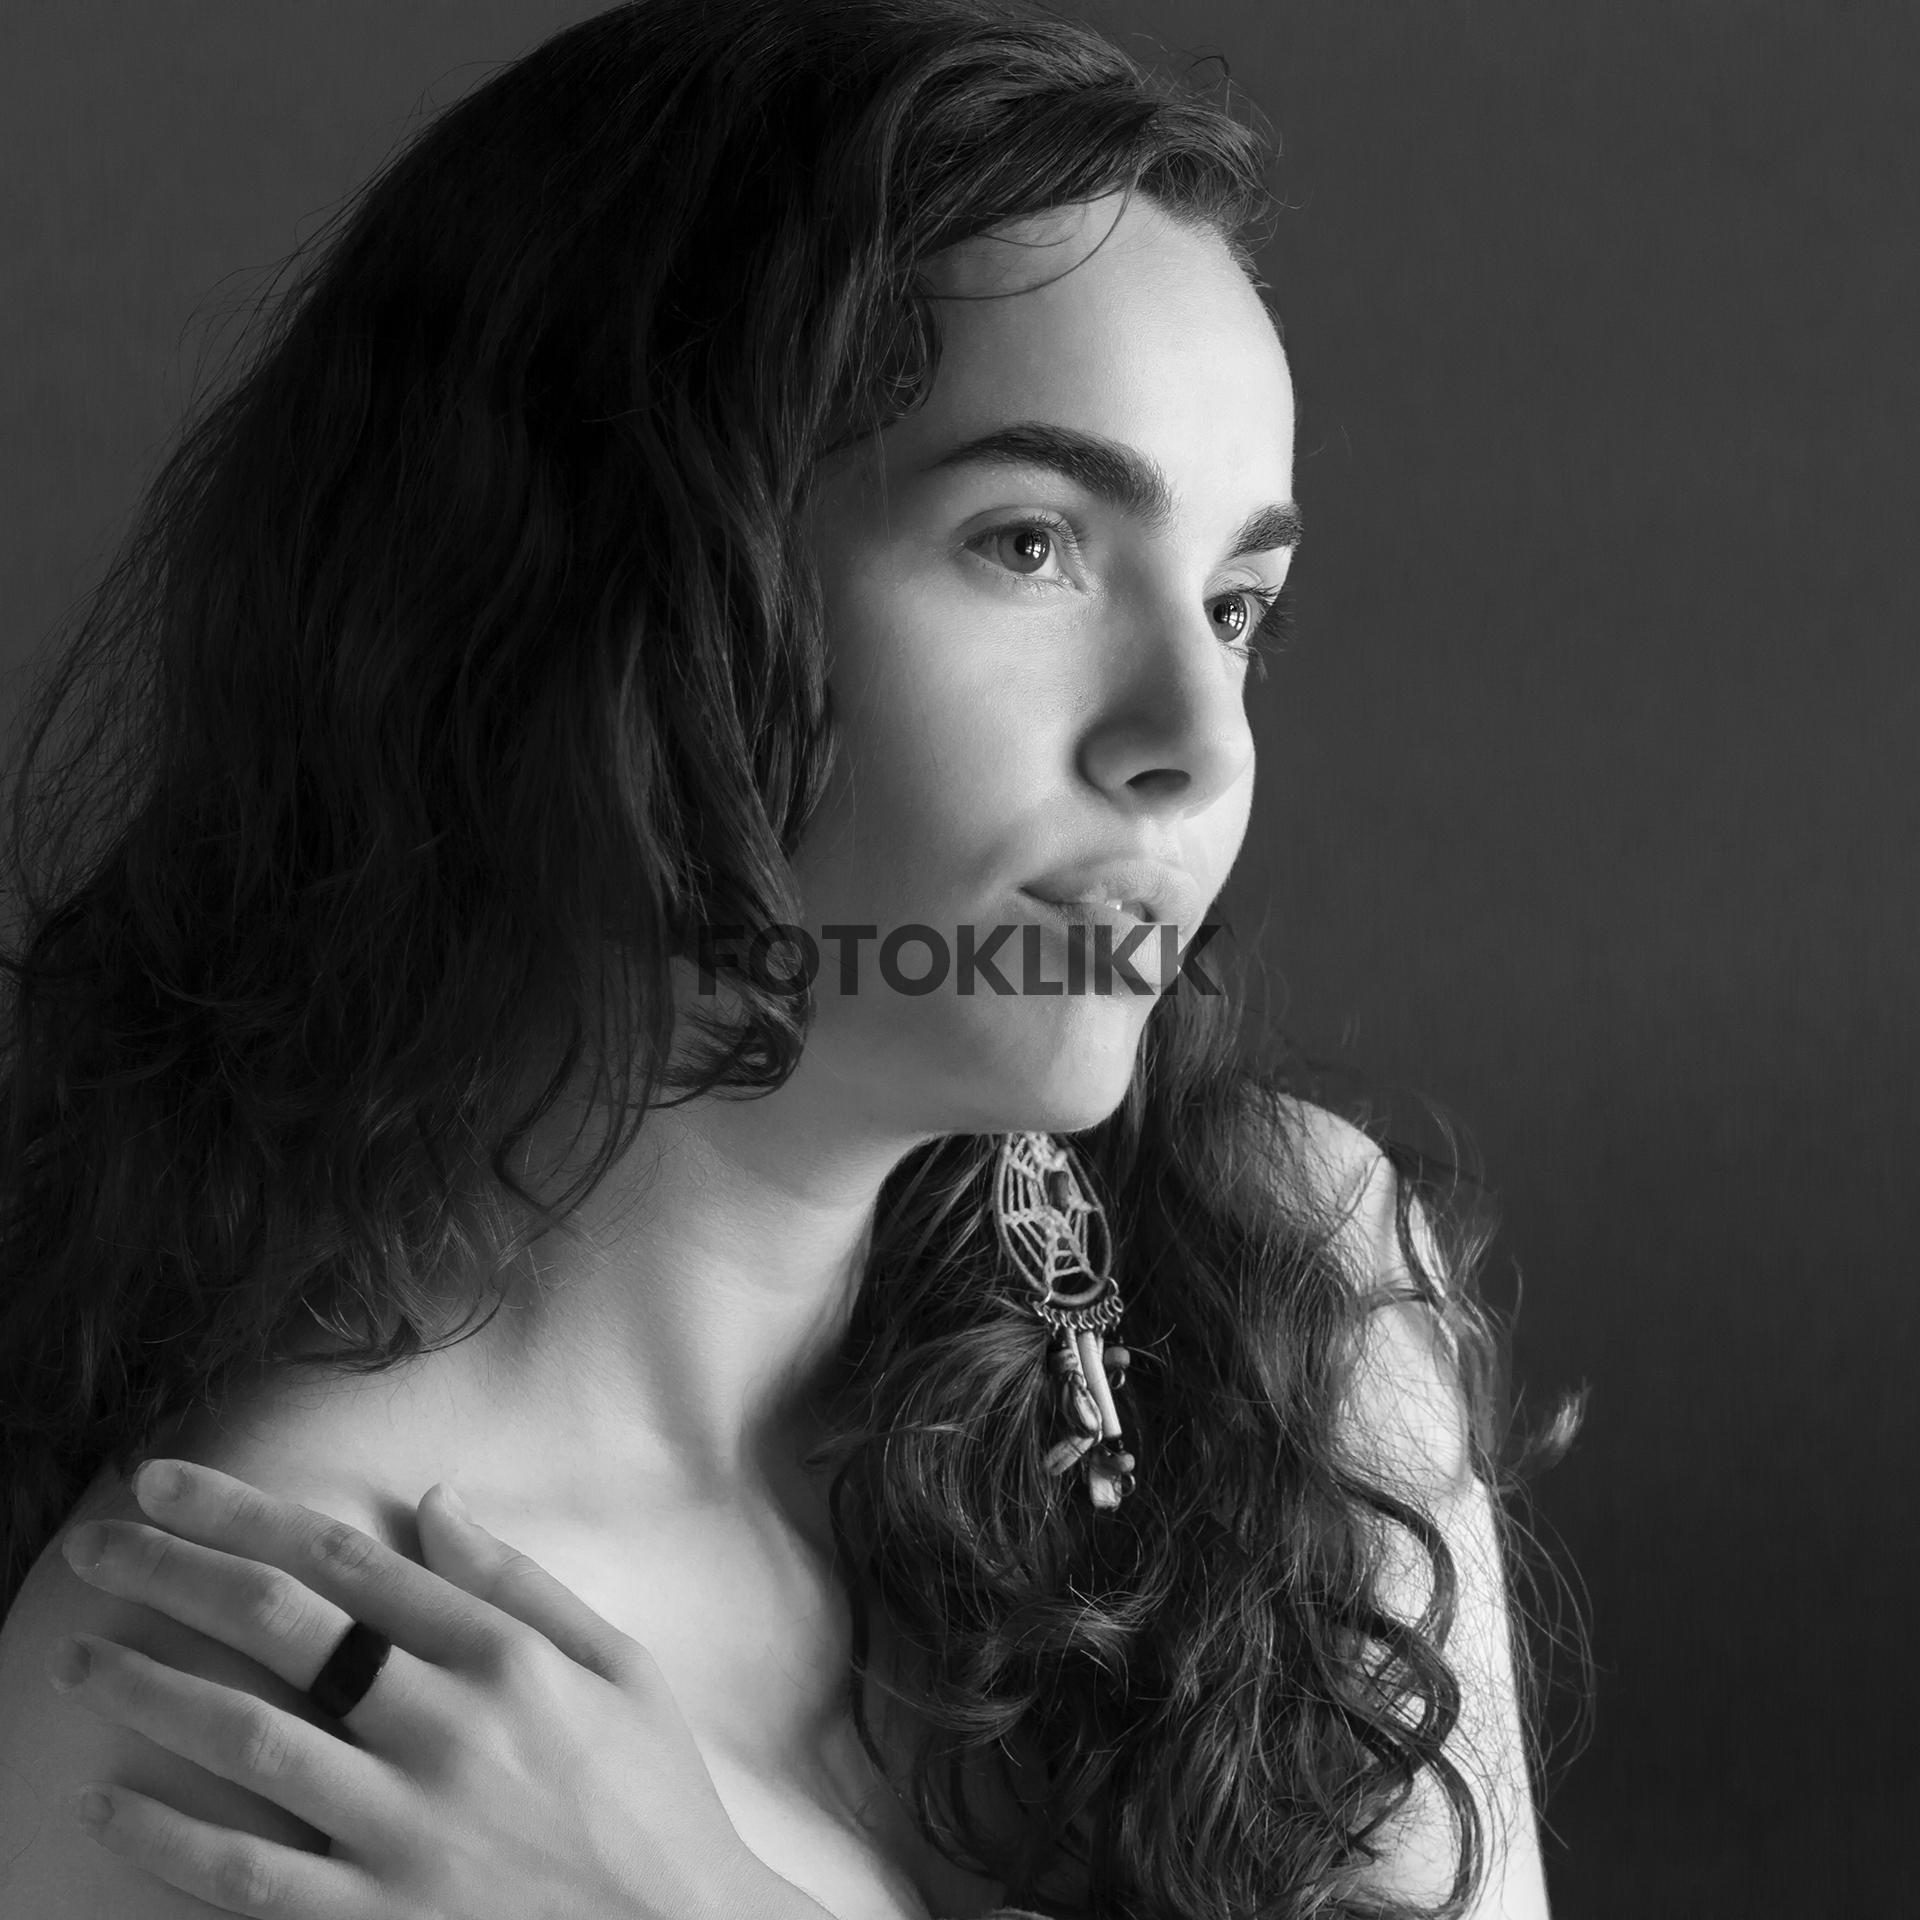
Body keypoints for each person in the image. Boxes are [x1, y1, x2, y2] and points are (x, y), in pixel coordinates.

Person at [0, 1, 1566, 1914]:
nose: (1197, 738)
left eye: (1240, 605)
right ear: (598, 593)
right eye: (1029, 543)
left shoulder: (1282, 1294)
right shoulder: (252, 1686)